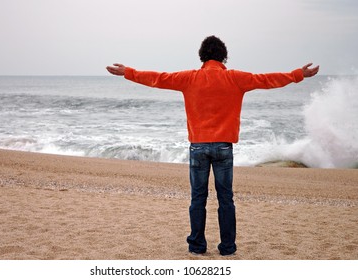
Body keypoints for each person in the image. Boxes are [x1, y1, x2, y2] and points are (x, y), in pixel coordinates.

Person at [106, 35, 319, 256]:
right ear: (223, 57)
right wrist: (298, 75)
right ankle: (227, 248)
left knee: (198, 197)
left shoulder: (190, 78)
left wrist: (128, 72)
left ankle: (197, 246)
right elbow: (265, 80)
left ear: (202, 56)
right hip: (224, 147)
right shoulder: (235, 78)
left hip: (198, 146)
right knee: (225, 198)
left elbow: (159, 78)